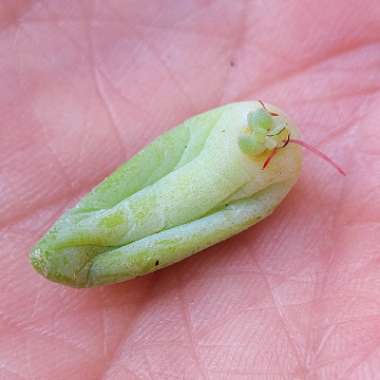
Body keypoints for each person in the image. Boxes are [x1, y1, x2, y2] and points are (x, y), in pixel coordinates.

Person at [1, 1, 379, 379]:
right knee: (127, 215)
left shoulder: (274, 174)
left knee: (134, 223)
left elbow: (222, 217)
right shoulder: (251, 140)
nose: (270, 134)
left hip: (182, 211)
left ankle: (86, 245)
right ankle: (82, 241)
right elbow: (173, 158)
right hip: (146, 210)